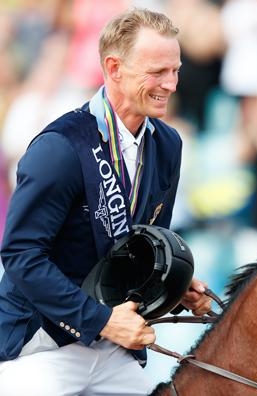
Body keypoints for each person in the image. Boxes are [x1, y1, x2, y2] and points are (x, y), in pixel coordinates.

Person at [0, 9, 212, 395]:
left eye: (175, 70)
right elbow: (21, 256)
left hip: (113, 348)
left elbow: (140, 247)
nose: (172, 83)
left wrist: (174, 290)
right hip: (41, 345)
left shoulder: (168, 145)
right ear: (114, 68)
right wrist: (101, 320)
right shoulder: (60, 148)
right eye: (158, 72)